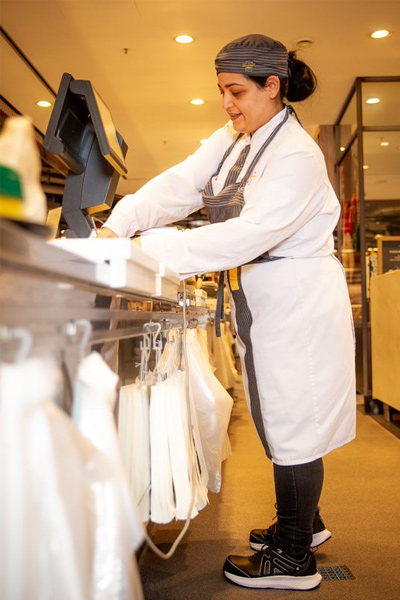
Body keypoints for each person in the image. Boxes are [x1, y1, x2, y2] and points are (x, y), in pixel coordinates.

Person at [98, 33, 356, 591]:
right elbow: (180, 185)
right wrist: (118, 224)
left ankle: (294, 559)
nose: (227, 104)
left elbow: (250, 232)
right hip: (264, 293)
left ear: (273, 86)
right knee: (275, 411)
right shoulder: (238, 137)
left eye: (236, 91)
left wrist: (149, 249)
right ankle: (302, 524)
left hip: (296, 295)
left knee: (293, 419)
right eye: (221, 91)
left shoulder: (296, 156)